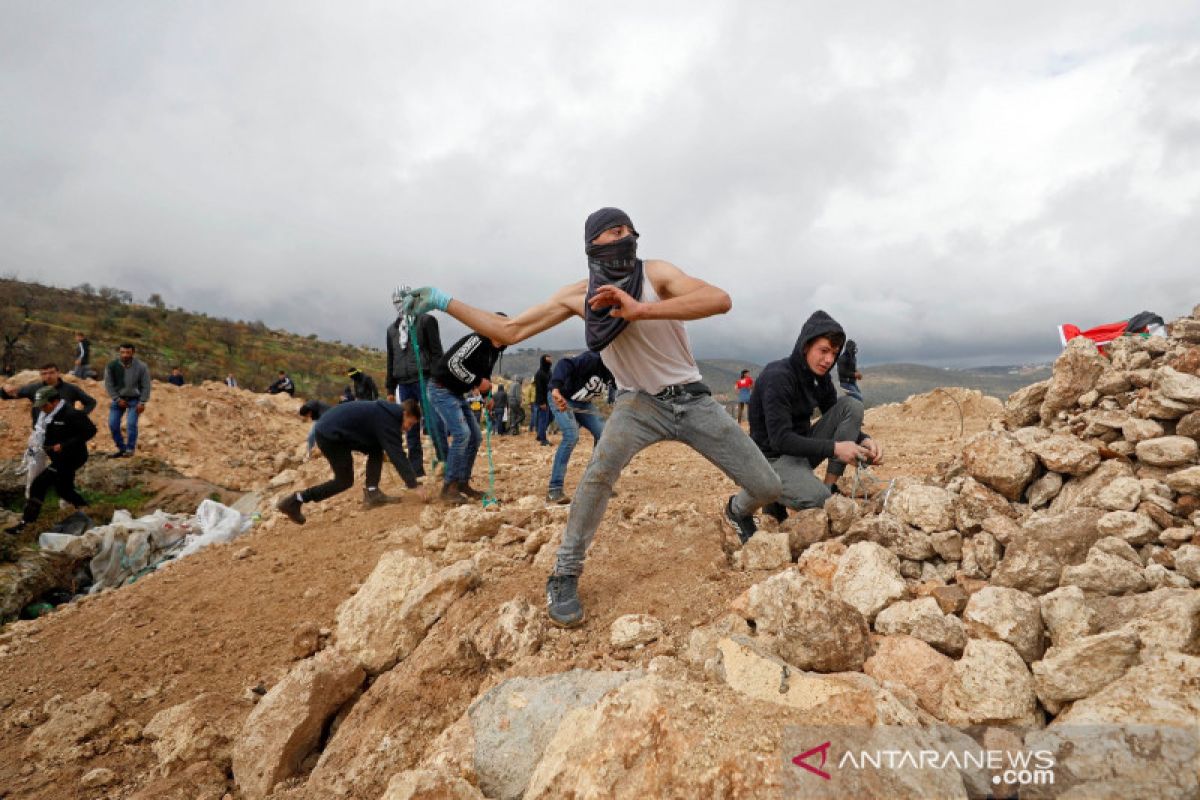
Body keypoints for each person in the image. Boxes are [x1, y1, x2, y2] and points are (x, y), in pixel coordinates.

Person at [399, 206, 781, 627]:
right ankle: (564, 573)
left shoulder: (656, 274)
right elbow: (507, 332)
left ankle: (737, 510)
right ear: (592, 244)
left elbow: (719, 299)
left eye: (627, 229)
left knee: (767, 485)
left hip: (692, 399)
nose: (624, 235)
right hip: (638, 404)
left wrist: (640, 310)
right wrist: (442, 300)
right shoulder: (577, 295)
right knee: (598, 474)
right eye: (612, 230)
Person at [731, 311, 882, 524]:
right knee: (819, 500)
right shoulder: (779, 377)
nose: (829, 359)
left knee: (852, 406)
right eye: (824, 350)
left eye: (834, 353)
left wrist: (863, 440)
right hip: (769, 460)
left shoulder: (820, 379)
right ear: (805, 346)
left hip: (799, 454)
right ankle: (738, 507)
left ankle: (828, 486)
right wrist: (836, 448)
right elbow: (780, 440)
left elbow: (838, 415)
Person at [276, 399, 424, 522]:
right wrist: (413, 484)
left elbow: (387, 445)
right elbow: (397, 453)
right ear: (404, 413)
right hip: (330, 436)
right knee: (344, 481)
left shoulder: (387, 413)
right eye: (409, 424)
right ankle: (296, 500)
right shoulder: (389, 419)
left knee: (376, 448)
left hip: (337, 431)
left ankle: (373, 493)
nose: (408, 429)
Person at [427, 325, 505, 504]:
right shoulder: (476, 340)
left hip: (456, 392)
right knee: (462, 434)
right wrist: (477, 382)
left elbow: (485, 376)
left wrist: (487, 396)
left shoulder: (494, 351)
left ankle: (462, 483)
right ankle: (449, 487)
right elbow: (454, 363)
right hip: (441, 388)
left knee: (475, 436)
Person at [5, 387, 97, 535]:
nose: (41, 408)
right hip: (57, 456)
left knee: (39, 485)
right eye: (39, 405)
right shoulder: (42, 412)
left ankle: (26, 525)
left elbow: (91, 431)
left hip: (72, 456)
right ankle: (91, 510)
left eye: (44, 405)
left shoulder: (71, 414)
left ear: (55, 401)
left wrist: (65, 444)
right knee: (64, 489)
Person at [386, 307, 446, 477]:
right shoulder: (392, 330)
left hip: (425, 379)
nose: (401, 306)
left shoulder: (426, 321)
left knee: (433, 421)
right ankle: (416, 470)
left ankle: (444, 462)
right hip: (403, 384)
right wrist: (391, 387)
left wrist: (438, 377)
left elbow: (436, 352)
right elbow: (391, 359)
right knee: (409, 426)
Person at [546, 351, 612, 504]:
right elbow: (565, 363)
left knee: (604, 435)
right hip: (562, 398)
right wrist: (555, 389)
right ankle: (554, 490)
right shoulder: (593, 359)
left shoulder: (617, 369)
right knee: (571, 436)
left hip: (584, 402)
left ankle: (595, 485)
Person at [2, 363, 97, 426]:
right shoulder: (33, 388)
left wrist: (80, 415)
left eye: (51, 373)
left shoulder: (71, 388)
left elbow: (91, 402)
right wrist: (4, 390)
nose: (48, 376)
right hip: (42, 430)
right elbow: (7, 396)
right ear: (40, 375)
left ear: (58, 373)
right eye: (44, 373)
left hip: (65, 430)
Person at [103, 343, 151, 458]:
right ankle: (121, 448)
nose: (125, 355)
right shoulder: (112, 366)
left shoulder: (141, 366)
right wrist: (117, 399)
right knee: (113, 424)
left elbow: (146, 385)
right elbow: (108, 385)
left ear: (133, 353)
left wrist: (142, 402)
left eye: (128, 352)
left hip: (135, 399)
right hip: (118, 399)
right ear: (119, 352)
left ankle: (130, 449)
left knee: (131, 424)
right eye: (122, 352)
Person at [533, 354, 553, 446]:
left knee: (551, 417)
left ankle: (540, 434)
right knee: (543, 419)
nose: (550, 362)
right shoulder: (539, 374)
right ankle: (543, 440)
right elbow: (539, 389)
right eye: (548, 360)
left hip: (550, 400)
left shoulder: (549, 372)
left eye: (550, 360)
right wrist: (542, 402)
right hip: (542, 401)